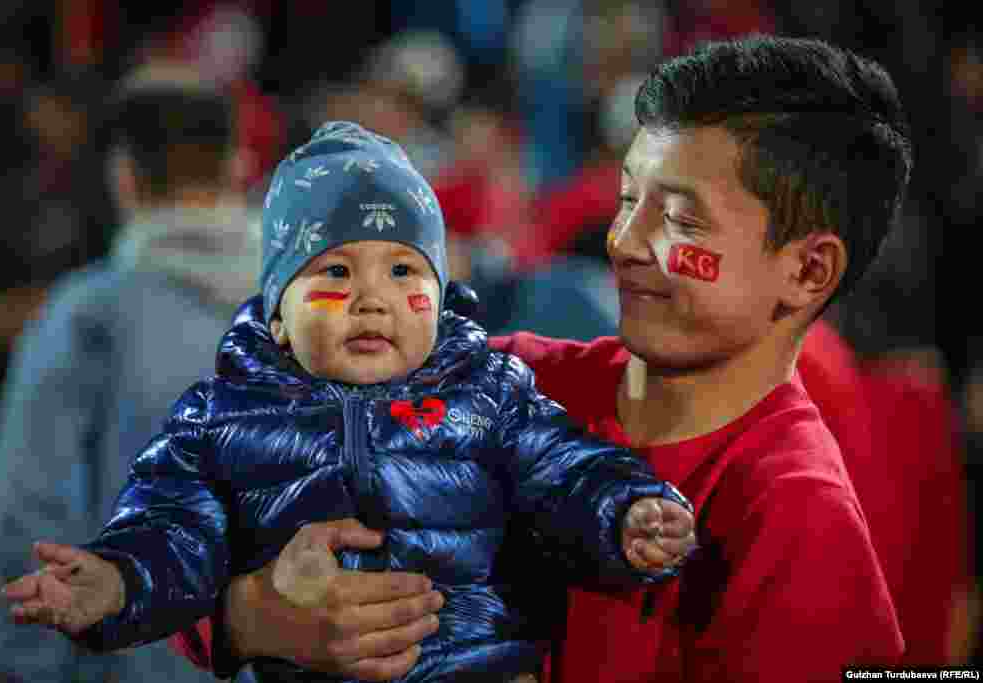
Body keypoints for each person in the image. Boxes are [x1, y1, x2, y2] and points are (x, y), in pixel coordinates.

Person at [170, 35, 914, 682]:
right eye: (628, 199)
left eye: (680, 218)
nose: (622, 242)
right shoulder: (498, 378)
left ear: (809, 270)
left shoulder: (797, 516)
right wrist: (257, 616)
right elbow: (206, 503)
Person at [1, 121, 698, 683]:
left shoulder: (490, 393)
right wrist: (117, 580)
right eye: (335, 271)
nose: (373, 298)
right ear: (276, 313)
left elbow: (568, 471)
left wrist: (626, 512)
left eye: (403, 270)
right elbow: (173, 529)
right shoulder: (221, 418)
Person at [0, 63, 258, 683]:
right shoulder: (311, 307)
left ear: (125, 177)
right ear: (237, 167)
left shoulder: (88, 316)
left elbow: (30, 518)